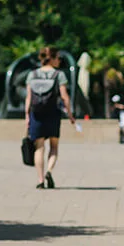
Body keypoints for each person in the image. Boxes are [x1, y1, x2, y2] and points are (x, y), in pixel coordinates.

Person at [25, 47, 75, 189]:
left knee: (39, 148)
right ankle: (49, 171)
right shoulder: (58, 75)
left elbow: (28, 98)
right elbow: (65, 97)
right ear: (52, 58)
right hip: (53, 112)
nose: (59, 61)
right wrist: (70, 115)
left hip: (37, 114)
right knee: (54, 146)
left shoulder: (32, 75)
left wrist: (27, 116)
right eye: (58, 58)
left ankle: (40, 180)